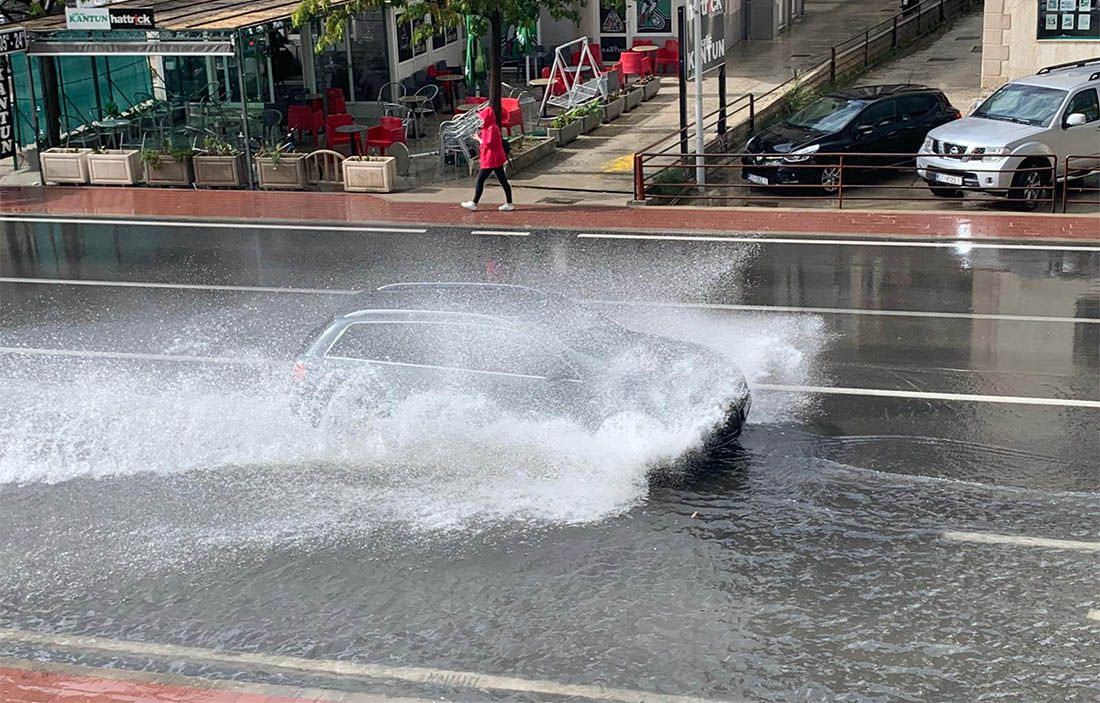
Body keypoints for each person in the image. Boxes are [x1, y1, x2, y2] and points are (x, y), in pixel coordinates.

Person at [462, 106, 514, 211]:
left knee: (480, 180)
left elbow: (489, 144)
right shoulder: (489, 127)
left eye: (482, 118)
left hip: (491, 159)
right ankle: (509, 203)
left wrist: (479, 139)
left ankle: (474, 202)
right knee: (503, 181)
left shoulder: (492, 128)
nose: (481, 120)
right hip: (494, 158)